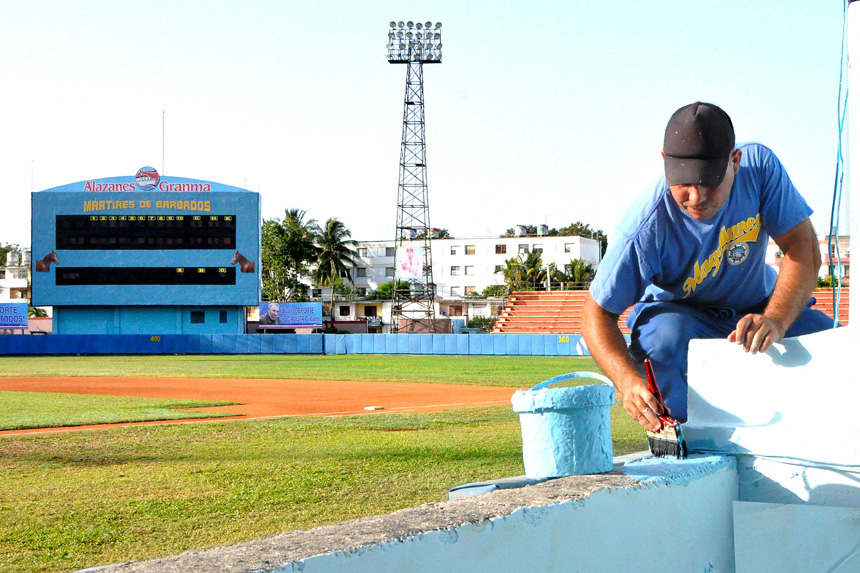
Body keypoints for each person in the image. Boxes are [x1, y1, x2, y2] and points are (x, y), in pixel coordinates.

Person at [582, 102, 834, 433]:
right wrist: (627, 381)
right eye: (683, 181)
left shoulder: (759, 168)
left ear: (735, 161)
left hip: (758, 308)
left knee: (834, 350)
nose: (696, 196)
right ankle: (685, 440)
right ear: (665, 162)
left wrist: (776, 318)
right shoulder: (645, 226)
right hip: (681, 317)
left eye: (710, 181)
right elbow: (595, 315)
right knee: (665, 337)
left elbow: (802, 247)